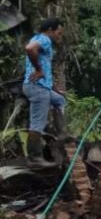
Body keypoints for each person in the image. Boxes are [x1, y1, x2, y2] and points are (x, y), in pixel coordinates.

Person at [22, 18, 67, 168]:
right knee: (38, 123)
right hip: (37, 88)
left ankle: (62, 134)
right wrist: (39, 70)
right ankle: (34, 157)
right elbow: (29, 49)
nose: (59, 37)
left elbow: (46, 67)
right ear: (50, 30)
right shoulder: (44, 39)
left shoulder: (39, 39)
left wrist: (53, 88)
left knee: (59, 99)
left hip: (43, 86)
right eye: (58, 33)